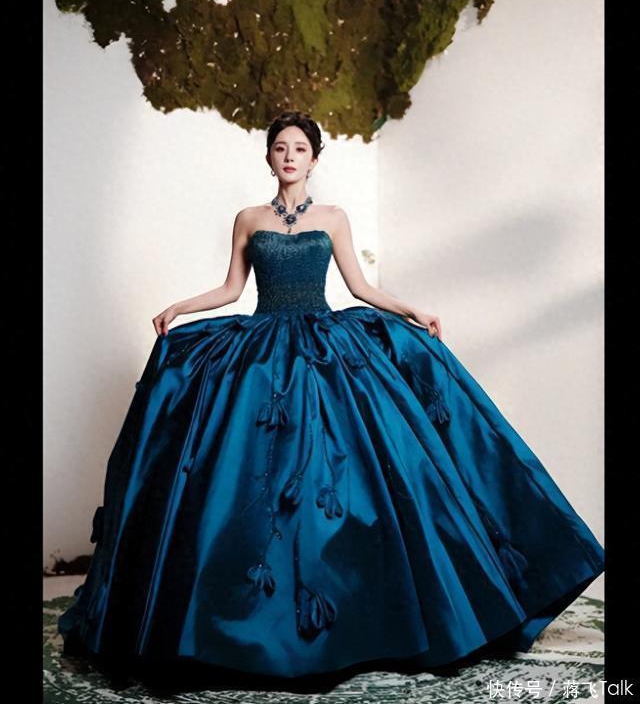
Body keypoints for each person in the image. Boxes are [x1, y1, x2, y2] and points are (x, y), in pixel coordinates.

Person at [58, 110, 605, 682]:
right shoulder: (248, 219)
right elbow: (232, 288)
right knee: (249, 473)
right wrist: (180, 307)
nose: (289, 156)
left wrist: (411, 310)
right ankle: (242, 621)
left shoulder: (334, 218)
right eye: (280, 148)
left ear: (314, 159)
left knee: (355, 471)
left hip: (324, 347)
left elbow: (359, 286)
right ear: (269, 157)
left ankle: (372, 612)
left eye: (299, 148)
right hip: (263, 350)